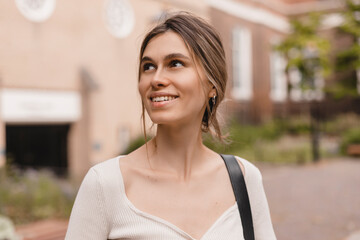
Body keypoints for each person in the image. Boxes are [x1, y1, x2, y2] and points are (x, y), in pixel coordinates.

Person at [65, 12, 276, 240]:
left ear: (212, 84)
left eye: (175, 63)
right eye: (148, 67)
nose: (156, 79)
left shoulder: (244, 179)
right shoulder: (104, 183)